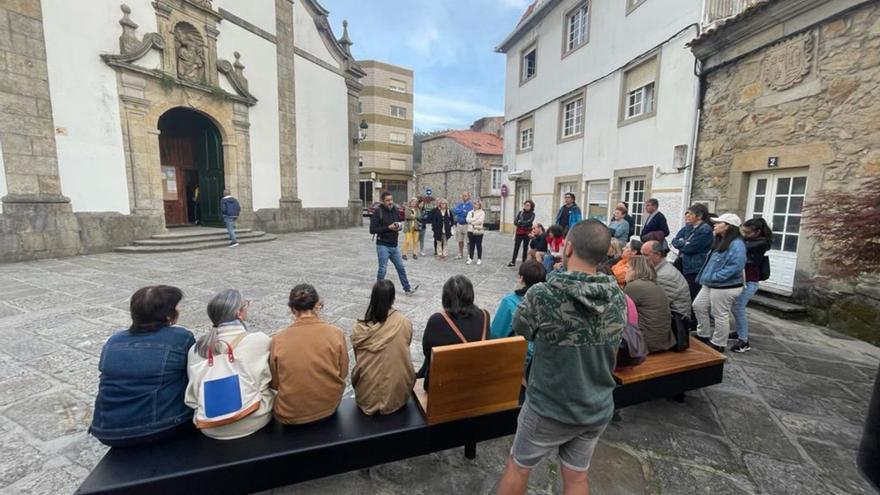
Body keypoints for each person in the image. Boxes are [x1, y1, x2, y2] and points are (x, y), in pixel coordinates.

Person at [496, 220, 625, 495]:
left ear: (567, 248)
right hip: (597, 405)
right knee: (577, 477)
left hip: (549, 407)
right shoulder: (618, 297)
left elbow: (521, 331)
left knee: (518, 466)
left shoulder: (542, 295)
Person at [89, 286, 195, 447]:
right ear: (167, 315)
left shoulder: (113, 341)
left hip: (107, 431)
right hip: (163, 427)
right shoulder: (180, 338)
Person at [185, 289, 274, 439]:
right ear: (239, 313)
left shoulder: (196, 349)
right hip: (253, 418)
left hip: (210, 427)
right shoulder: (258, 340)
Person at [270, 284, 349, 424]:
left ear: (292, 309)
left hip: (290, 413)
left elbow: (275, 382)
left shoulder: (279, 339)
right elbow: (343, 373)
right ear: (317, 304)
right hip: (328, 406)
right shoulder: (335, 333)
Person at [351, 280, 415, 415]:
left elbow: (359, 358)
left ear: (372, 298)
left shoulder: (359, 330)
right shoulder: (404, 323)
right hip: (398, 395)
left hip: (367, 397)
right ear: (393, 298)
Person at [417, 275, 491, 390]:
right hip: (475, 381)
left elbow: (426, 350)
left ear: (446, 297)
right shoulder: (485, 315)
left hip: (442, 385)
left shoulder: (437, 320)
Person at [693, 213, 747, 353]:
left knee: (720, 313)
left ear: (729, 226)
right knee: (698, 305)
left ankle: (718, 343)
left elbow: (736, 266)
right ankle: (703, 334)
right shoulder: (720, 240)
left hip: (725, 286)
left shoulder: (737, 245)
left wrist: (716, 276)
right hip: (711, 283)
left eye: (719, 223)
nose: (715, 225)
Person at [490, 260, 547, 375]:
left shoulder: (510, 302)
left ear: (521, 278)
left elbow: (496, 334)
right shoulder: (550, 303)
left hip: (517, 362)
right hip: (542, 362)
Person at [729, 217, 772, 353]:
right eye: (744, 232)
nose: (745, 235)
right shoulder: (749, 240)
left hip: (750, 281)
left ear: (757, 232)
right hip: (743, 279)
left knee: (738, 307)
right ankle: (739, 332)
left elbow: (738, 248)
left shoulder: (761, 242)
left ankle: (744, 340)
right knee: (735, 307)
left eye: (748, 233)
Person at [369, 191, 418, 295]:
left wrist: (398, 227)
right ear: (383, 201)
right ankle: (377, 292)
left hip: (394, 245)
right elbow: (372, 230)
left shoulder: (395, 210)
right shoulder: (378, 212)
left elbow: (399, 223)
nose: (390, 202)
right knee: (382, 269)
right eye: (387, 200)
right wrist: (388, 228)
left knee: (401, 268)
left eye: (391, 199)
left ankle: (407, 289)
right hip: (382, 245)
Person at [624, 256, 675, 353]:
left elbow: (618, 310)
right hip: (662, 340)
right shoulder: (654, 284)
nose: (624, 271)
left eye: (628, 268)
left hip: (647, 343)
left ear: (636, 270)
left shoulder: (635, 286)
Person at [671, 203, 714, 301]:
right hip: (683, 263)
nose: (687, 216)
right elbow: (674, 241)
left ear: (699, 216)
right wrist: (684, 243)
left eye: (690, 214)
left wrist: (683, 243)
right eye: (686, 213)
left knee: (692, 294)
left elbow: (690, 248)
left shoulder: (705, 230)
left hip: (694, 267)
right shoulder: (688, 227)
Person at [641, 240, 692, 318]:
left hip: (674, 319)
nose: (642, 258)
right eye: (641, 254)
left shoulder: (664, 275)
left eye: (645, 255)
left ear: (658, 255)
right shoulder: (659, 268)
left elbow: (656, 305)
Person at [509, 200, 536, 267]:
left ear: (531, 206)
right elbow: (515, 222)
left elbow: (529, 222)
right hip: (519, 232)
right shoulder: (520, 212)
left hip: (527, 232)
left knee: (525, 247)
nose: (526, 206)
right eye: (525, 205)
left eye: (528, 205)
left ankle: (524, 262)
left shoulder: (532, 214)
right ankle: (513, 261)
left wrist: (520, 222)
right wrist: (522, 223)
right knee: (516, 247)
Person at [453, 192, 473, 259]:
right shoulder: (460, 204)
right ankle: (460, 254)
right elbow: (455, 211)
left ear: (468, 197)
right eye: (463, 196)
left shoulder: (471, 205)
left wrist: (461, 212)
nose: (464, 197)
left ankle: (469, 255)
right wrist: (463, 211)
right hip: (459, 224)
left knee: (468, 241)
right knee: (460, 241)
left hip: (467, 225)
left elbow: (468, 213)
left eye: (466, 196)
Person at [466, 199, 487, 265]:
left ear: (479, 205)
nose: (475, 205)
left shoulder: (482, 212)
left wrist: (472, 221)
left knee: (478, 245)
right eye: (474, 204)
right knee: (471, 245)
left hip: (478, 230)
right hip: (470, 230)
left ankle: (479, 258)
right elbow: (467, 220)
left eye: (477, 204)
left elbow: (480, 221)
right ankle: (470, 258)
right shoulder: (470, 212)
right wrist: (475, 219)